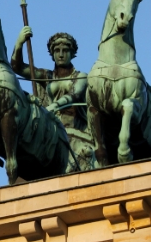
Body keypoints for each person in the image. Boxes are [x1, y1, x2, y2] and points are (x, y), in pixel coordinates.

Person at [11, 30, 94, 171]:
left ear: (72, 53)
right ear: (52, 54)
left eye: (65, 50)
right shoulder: (46, 76)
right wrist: (19, 43)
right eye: (57, 50)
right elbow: (16, 67)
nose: (61, 54)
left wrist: (52, 106)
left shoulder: (81, 76)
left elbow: (74, 95)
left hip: (74, 131)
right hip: (52, 129)